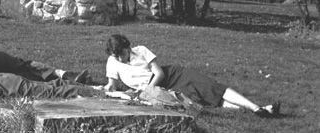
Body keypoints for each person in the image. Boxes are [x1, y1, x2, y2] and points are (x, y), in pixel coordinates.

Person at [102, 34, 280, 118]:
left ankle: (256, 107)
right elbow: (112, 84)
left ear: (128, 47)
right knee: (203, 101)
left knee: (210, 87)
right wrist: (108, 88)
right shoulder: (113, 62)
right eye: (115, 55)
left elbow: (159, 72)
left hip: (171, 76)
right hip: (157, 91)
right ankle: (264, 109)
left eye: (121, 53)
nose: (119, 58)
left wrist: (149, 88)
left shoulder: (140, 50)